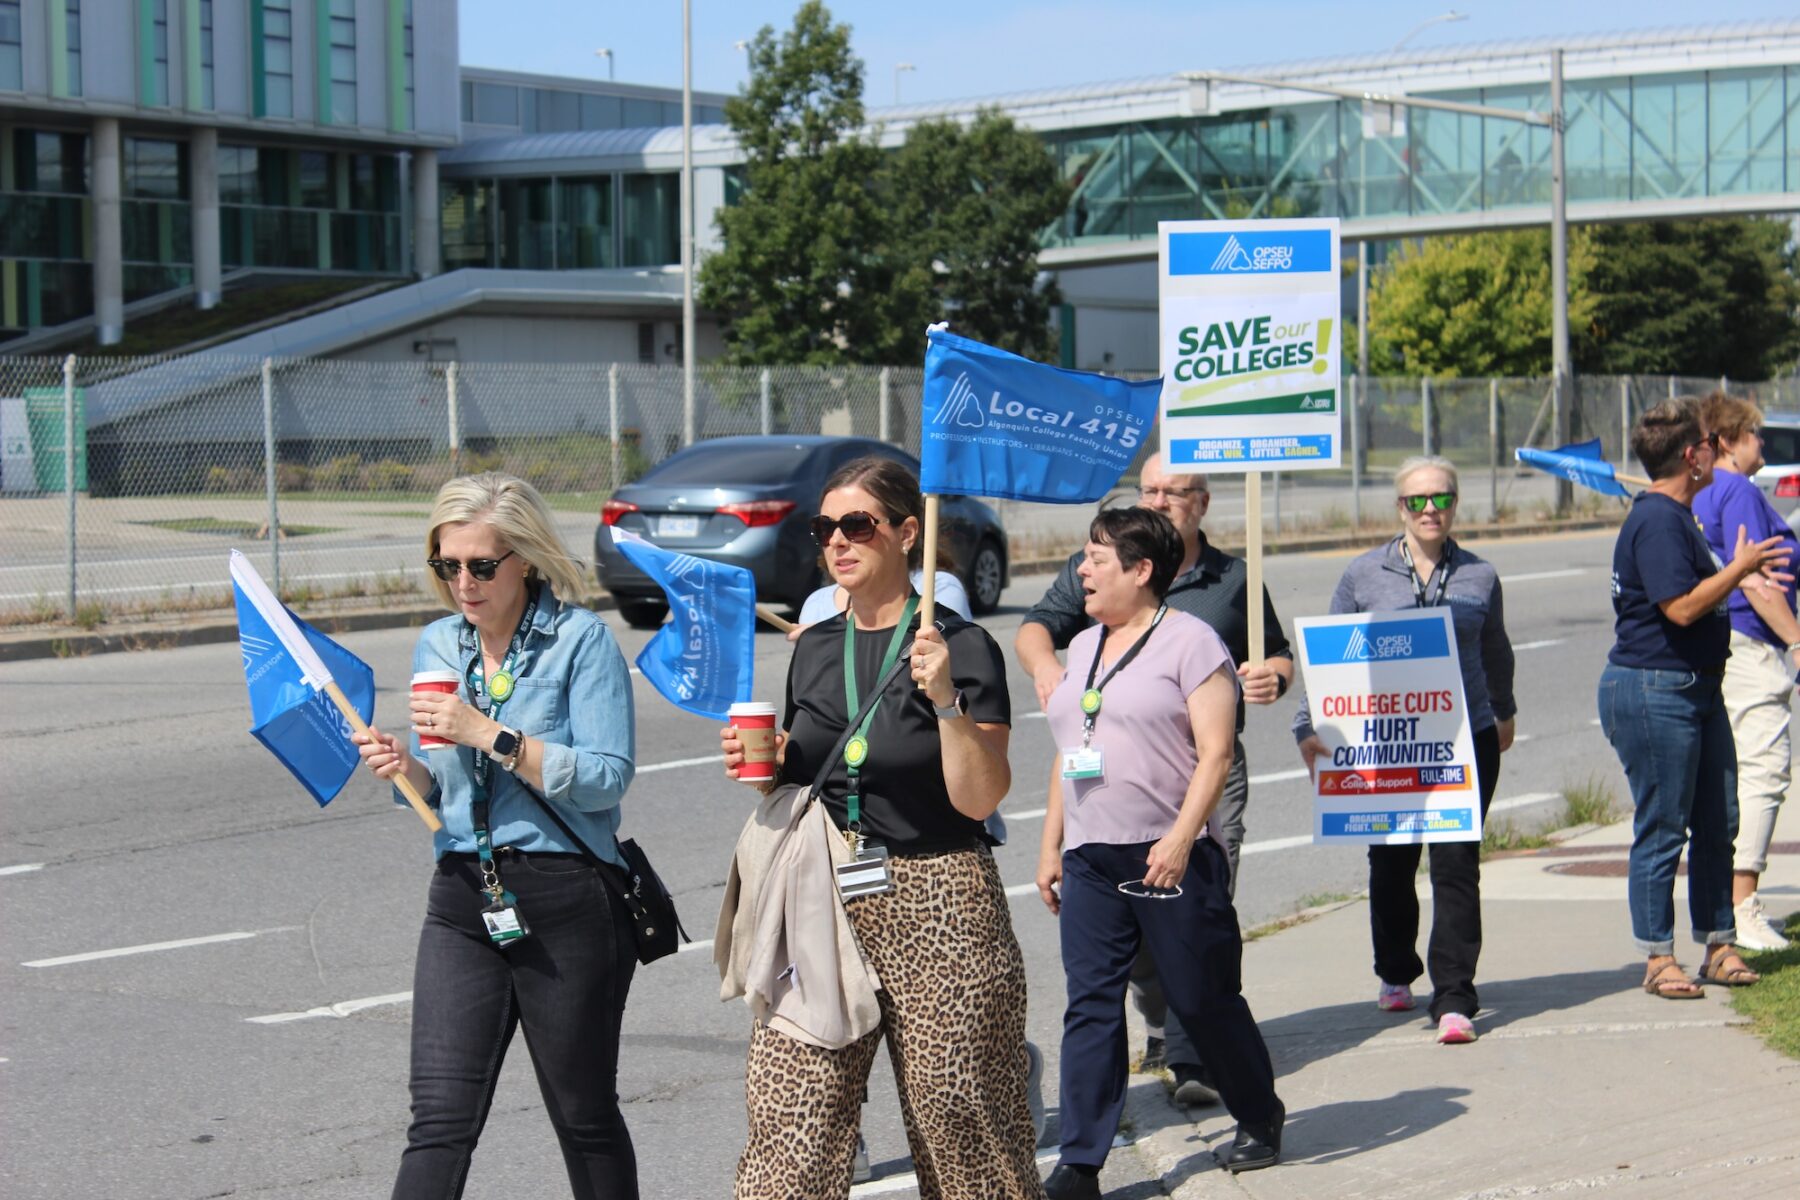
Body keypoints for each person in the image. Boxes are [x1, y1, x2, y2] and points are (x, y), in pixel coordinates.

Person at [719, 455, 1041, 1200]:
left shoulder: (960, 647)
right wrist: (760, 765)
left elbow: (981, 795)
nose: (837, 539)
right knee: (788, 1117)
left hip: (941, 895)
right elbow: (809, 775)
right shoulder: (816, 647)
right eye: (825, 526)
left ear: (905, 533)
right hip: (823, 895)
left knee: (961, 1123)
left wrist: (948, 703)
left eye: (857, 524)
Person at [353, 472, 641, 1199]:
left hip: (566, 896)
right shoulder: (437, 644)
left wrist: (491, 735)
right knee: (439, 1119)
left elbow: (608, 779)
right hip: (462, 895)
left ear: (526, 560)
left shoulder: (580, 641)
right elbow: (444, 792)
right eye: (447, 565)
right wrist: (405, 772)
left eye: (481, 565)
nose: (463, 582)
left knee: (582, 1114)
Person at [1016, 452, 1292, 1103]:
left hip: (1204, 771)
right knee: (1135, 946)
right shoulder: (1106, 568)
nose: (1161, 498)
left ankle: (1196, 1063)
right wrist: (1048, 672)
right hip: (1108, 778)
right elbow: (1035, 628)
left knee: (1199, 919)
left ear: (1201, 502)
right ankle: (1164, 1022)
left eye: (1176, 490)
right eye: (1151, 488)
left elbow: (1275, 653)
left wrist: (1272, 678)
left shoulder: (1233, 579)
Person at [1294, 456, 1516, 1045]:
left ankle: (1453, 996)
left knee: (1455, 862)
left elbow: (1496, 650)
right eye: (1417, 501)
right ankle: (1396, 971)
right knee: (1391, 862)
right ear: (1400, 508)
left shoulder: (1480, 575)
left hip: (1463, 739)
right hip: (1384, 742)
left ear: (1454, 503)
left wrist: (1504, 711)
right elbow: (1328, 653)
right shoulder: (1364, 574)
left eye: (1440, 499)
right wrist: (1304, 726)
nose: (1429, 510)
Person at [1598, 398, 1785, 999]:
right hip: (1656, 688)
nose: (1717, 447)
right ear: (1692, 454)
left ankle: (1718, 943)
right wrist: (1740, 569)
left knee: (1717, 820)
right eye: (1709, 440)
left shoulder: (1681, 515)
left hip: (1697, 685)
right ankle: (1658, 957)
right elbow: (1679, 607)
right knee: (1664, 827)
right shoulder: (1655, 520)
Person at [1693, 392, 1800, 951]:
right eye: (1756, 433)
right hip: (1751, 643)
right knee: (1766, 769)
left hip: (1729, 642)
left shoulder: (1713, 490)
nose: (1763, 443)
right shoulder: (1734, 491)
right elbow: (1753, 580)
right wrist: (1797, 639)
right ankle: (1743, 903)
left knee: (1739, 773)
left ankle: (1732, 901)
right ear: (1729, 442)